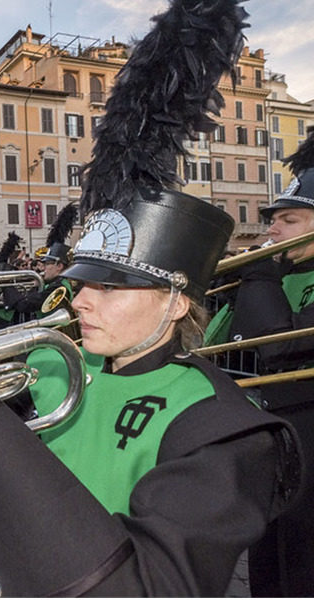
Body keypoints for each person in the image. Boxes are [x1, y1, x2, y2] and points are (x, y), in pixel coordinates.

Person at [0, 0, 302, 595]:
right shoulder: (49, 361)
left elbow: (146, 585)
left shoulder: (222, 429)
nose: (78, 303)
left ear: (176, 300)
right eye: (82, 282)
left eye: (112, 285)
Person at [221, 129, 314, 597]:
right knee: (268, 567)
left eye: (289, 220)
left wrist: (258, 272)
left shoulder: (273, 276)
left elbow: (278, 347)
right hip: (280, 447)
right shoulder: (286, 276)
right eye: (273, 220)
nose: (271, 230)